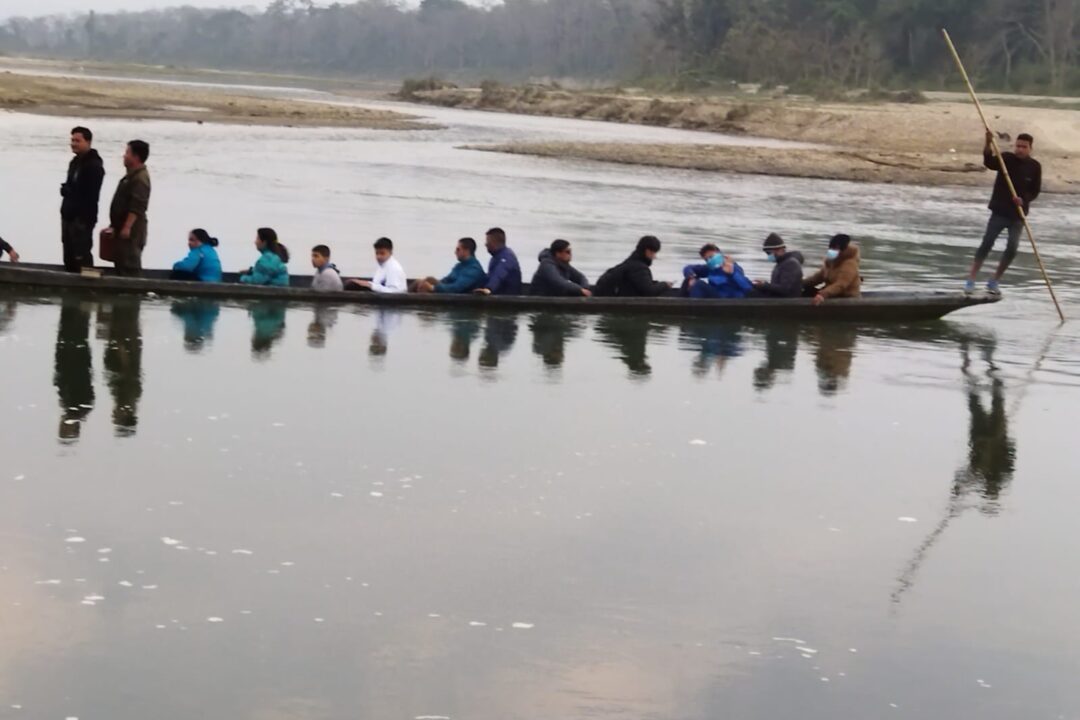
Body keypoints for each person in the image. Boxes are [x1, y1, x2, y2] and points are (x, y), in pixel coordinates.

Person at [966, 131, 1041, 295]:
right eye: (1018, 146)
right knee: (987, 243)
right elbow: (989, 162)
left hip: (1018, 215)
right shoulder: (1006, 158)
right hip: (1000, 211)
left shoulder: (1035, 166)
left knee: (1012, 248)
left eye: (1024, 147)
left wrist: (1024, 199)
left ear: (1030, 148)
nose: (1020, 149)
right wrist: (987, 143)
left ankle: (994, 280)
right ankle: (971, 279)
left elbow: (1035, 191)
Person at [103, 139, 151, 277]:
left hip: (132, 231)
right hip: (122, 229)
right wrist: (114, 226)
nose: (124, 156)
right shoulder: (130, 176)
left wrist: (127, 227)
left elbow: (138, 205)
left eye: (127, 153)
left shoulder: (140, 178)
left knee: (129, 265)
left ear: (136, 157)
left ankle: (132, 294)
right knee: (120, 262)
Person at [60, 126, 105, 272]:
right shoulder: (74, 162)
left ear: (88, 142)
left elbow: (89, 195)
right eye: (72, 140)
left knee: (81, 254)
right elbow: (72, 186)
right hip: (68, 216)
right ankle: (69, 282)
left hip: (82, 219)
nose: (73, 143)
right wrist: (66, 190)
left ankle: (88, 286)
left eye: (77, 141)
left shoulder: (94, 165)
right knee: (69, 255)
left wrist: (70, 192)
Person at [593, 235, 672, 297]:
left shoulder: (630, 263)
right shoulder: (639, 268)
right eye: (654, 253)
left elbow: (640, 283)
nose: (655, 257)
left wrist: (656, 284)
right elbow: (649, 292)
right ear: (648, 251)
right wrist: (665, 285)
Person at [803, 233, 861, 305]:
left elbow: (841, 285)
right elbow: (818, 277)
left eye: (835, 248)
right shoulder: (831, 261)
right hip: (831, 293)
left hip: (844, 296)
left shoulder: (849, 263)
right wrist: (801, 283)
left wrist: (823, 294)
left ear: (843, 250)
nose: (832, 250)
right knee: (807, 291)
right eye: (831, 248)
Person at [414, 237, 487, 294]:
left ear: (467, 251)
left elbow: (456, 289)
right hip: (450, 291)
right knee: (418, 282)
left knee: (425, 288)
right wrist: (435, 281)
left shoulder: (474, 270)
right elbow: (447, 280)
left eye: (458, 249)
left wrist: (432, 288)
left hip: (462, 304)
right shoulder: (459, 266)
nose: (455, 252)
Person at [752, 233, 804, 298]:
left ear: (779, 250)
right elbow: (777, 286)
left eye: (769, 253)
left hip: (786, 303)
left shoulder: (791, 264)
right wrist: (764, 284)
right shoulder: (781, 263)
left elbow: (784, 289)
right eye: (767, 253)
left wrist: (764, 285)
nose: (768, 256)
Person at [474, 227, 522, 296]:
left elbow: (499, 274)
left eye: (488, 242)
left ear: (496, 242)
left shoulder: (507, 257)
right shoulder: (495, 258)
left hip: (508, 299)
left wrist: (489, 289)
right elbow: (489, 277)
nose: (485, 244)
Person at [688, 250, 753, 299]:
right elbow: (688, 268)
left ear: (719, 255)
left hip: (730, 299)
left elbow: (747, 287)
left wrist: (732, 274)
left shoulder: (734, 267)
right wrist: (691, 276)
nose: (709, 260)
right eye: (706, 259)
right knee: (688, 281)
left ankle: (693, 307)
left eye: (711, 257)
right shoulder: (710, 268)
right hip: (717, 296)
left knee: (699, 284)